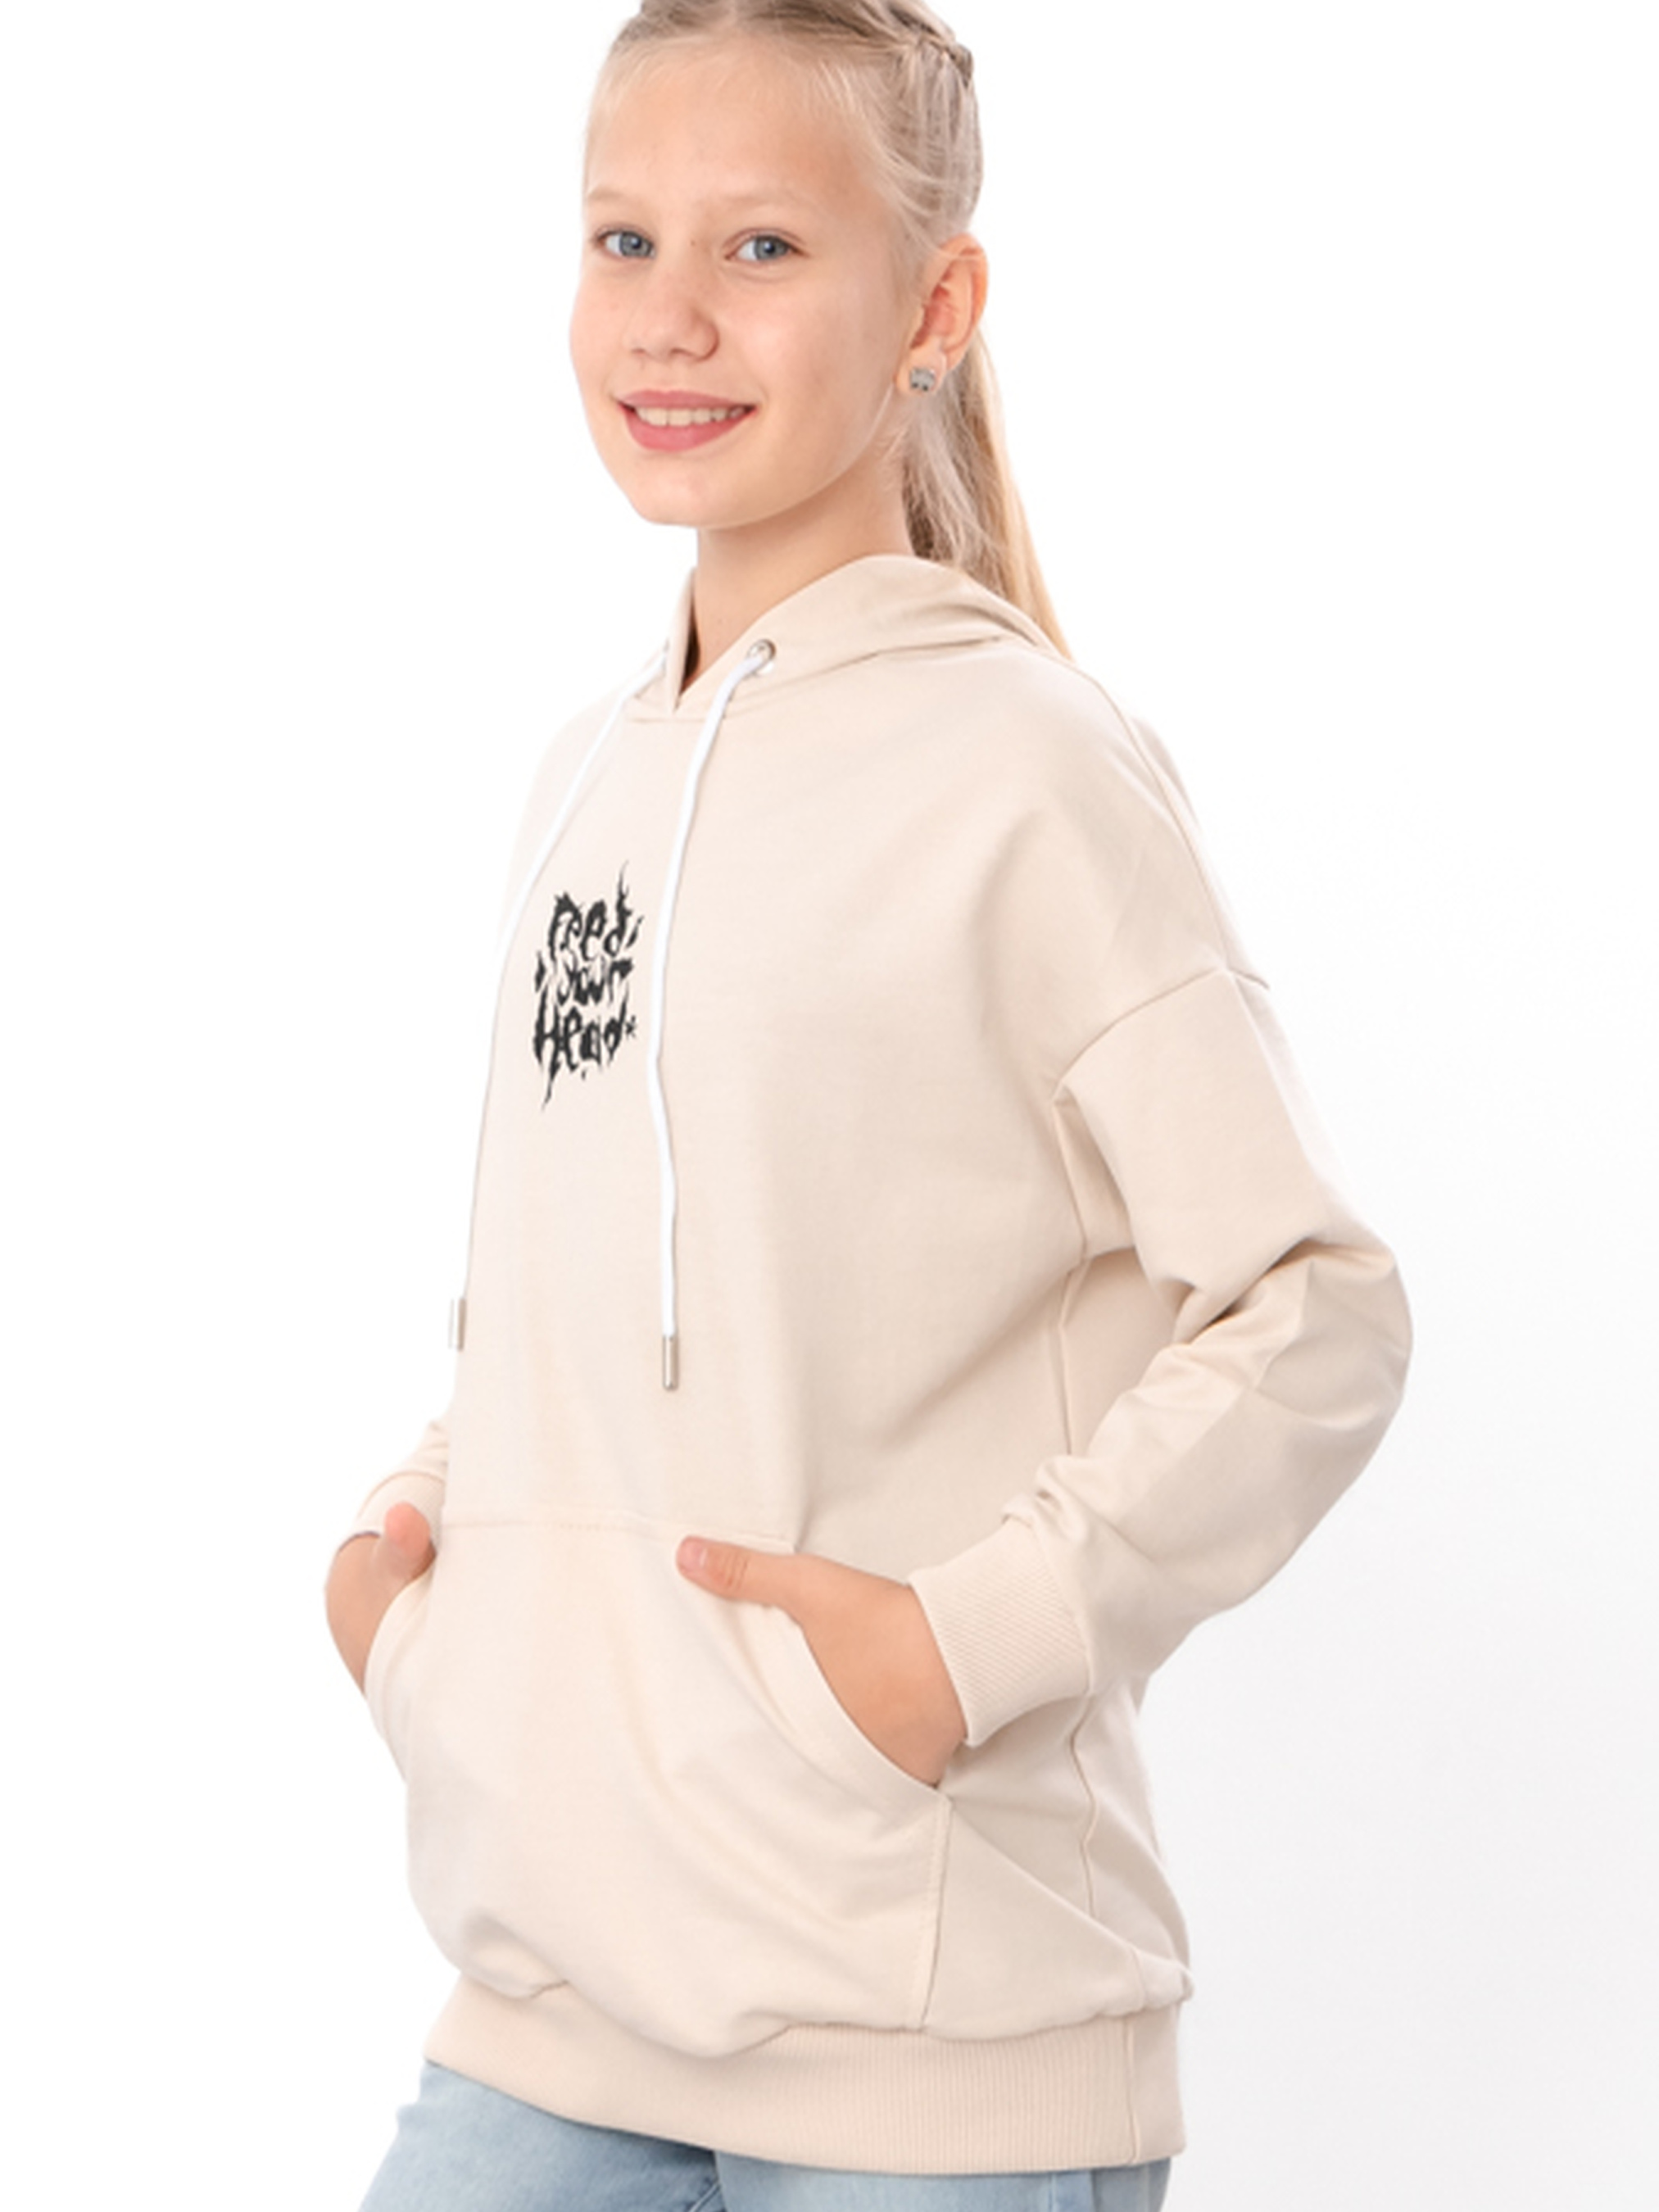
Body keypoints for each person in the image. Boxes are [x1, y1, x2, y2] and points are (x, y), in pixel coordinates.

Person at [325, 3, 1411, 2205]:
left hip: (933, 2042)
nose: (671, 317)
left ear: (935, 306)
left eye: (761, 248)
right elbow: (588, 1298)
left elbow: (1313, 1309)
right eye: (623, 239)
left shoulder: (1029, 771)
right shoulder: (583, 778)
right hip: (551, 1991)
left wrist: (957, 1648)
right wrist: (415, 1572)